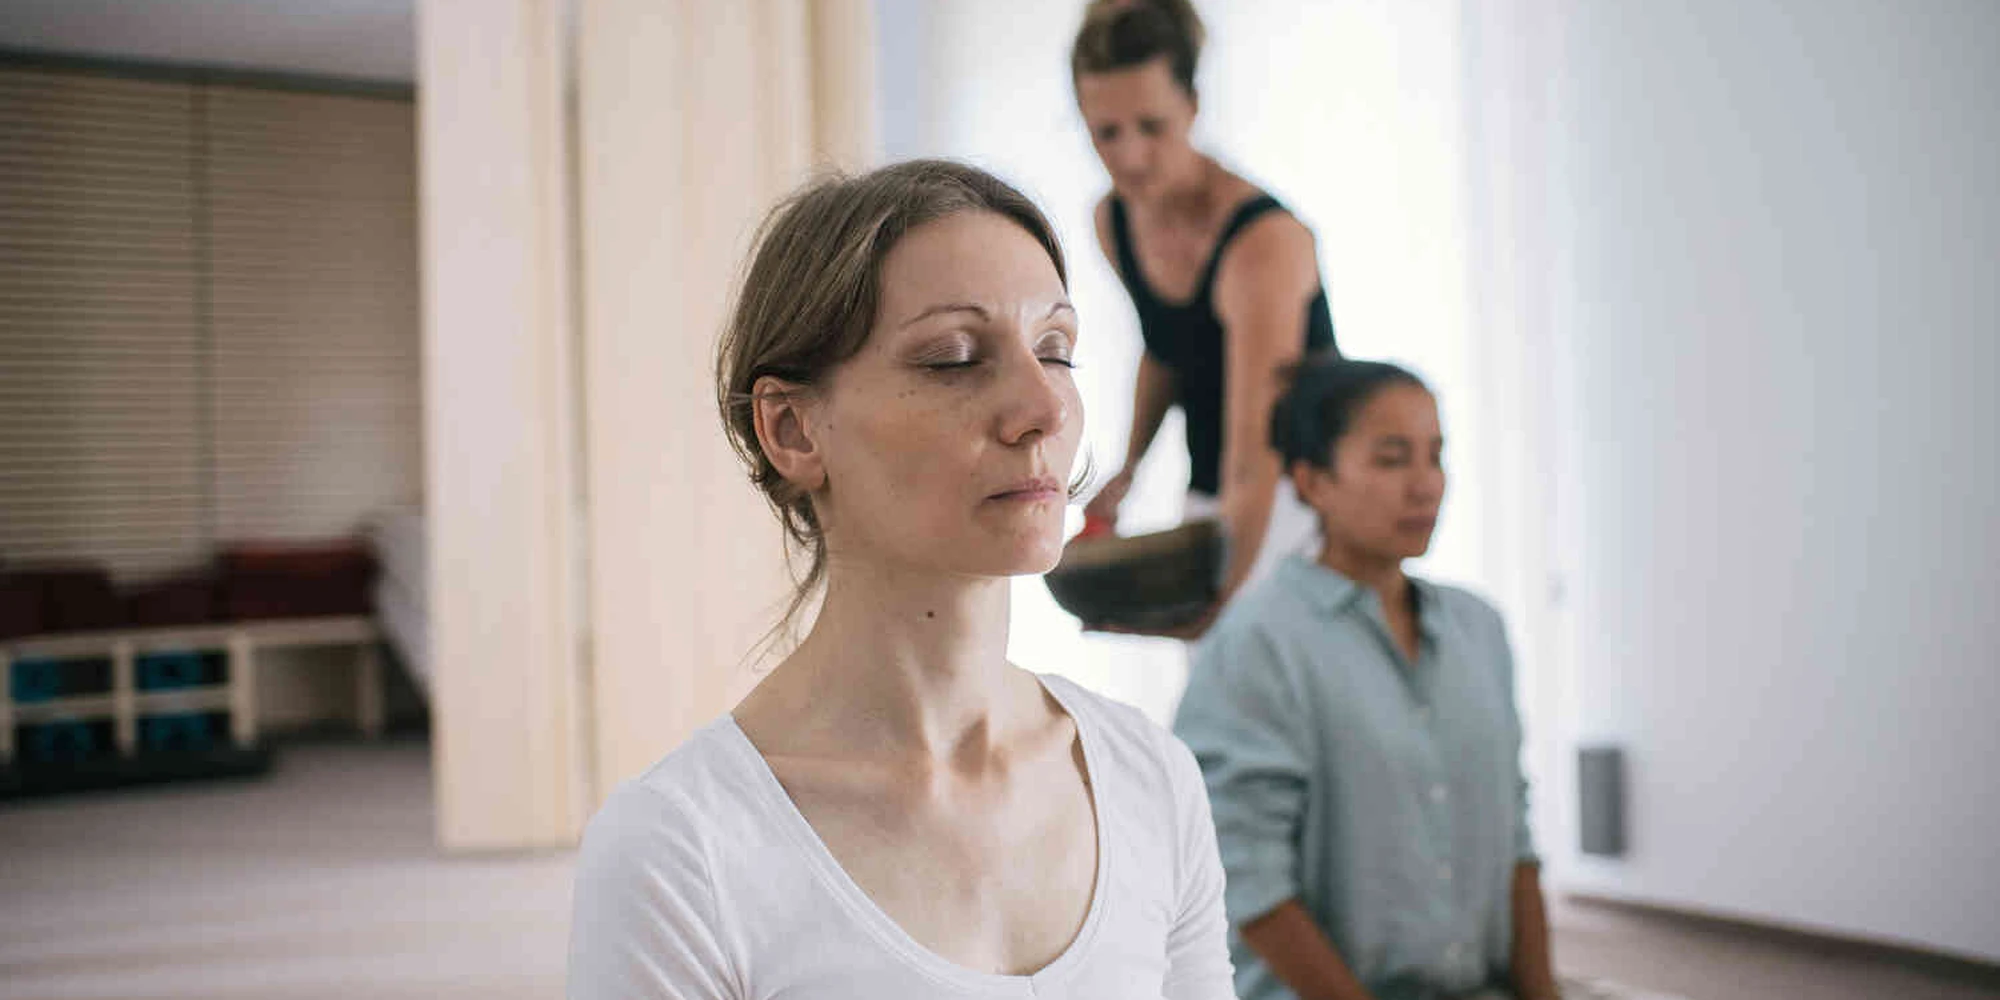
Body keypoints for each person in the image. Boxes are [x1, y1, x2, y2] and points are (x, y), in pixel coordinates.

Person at [567, 160, 1236, 999]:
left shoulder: (1150, 780)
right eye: (955, 359)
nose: (1044, 408)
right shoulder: (679, 851)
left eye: (1055, 351)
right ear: (792, 429)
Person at [1174, 358, 1560, 1000]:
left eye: (1435, 456)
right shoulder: (1257, 643)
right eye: (1391, 459)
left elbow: (1515, 838)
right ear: (1312, 481)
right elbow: (1246, 876)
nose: (1426, 485)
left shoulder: (1479, 627)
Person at [1072, 0, 1340, 636]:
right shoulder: (1113, 220)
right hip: (1214, 495)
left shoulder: (1262, 242)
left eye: (1152, 127)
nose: (1131, 157)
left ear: (1192, 107)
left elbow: (1257, 452)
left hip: (1303, 503)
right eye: (1107, 133)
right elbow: (1165, 348)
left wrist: (1216, 606)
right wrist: (1129, 470)